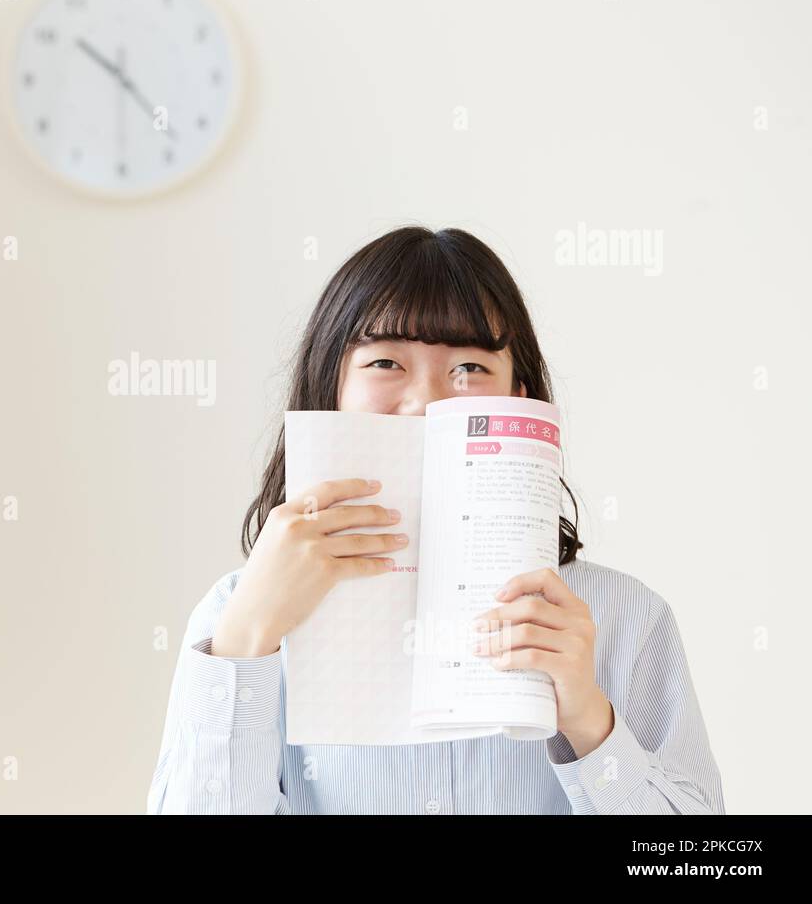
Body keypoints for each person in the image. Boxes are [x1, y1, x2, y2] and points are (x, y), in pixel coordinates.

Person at [146, 226, 724, 814]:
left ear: (518, 399)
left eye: (470, 366)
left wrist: (588, 723)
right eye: (386, 361)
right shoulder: (235, 615)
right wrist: (245, 642)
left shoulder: (625, 617)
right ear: (331, 389)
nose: (424, 402)